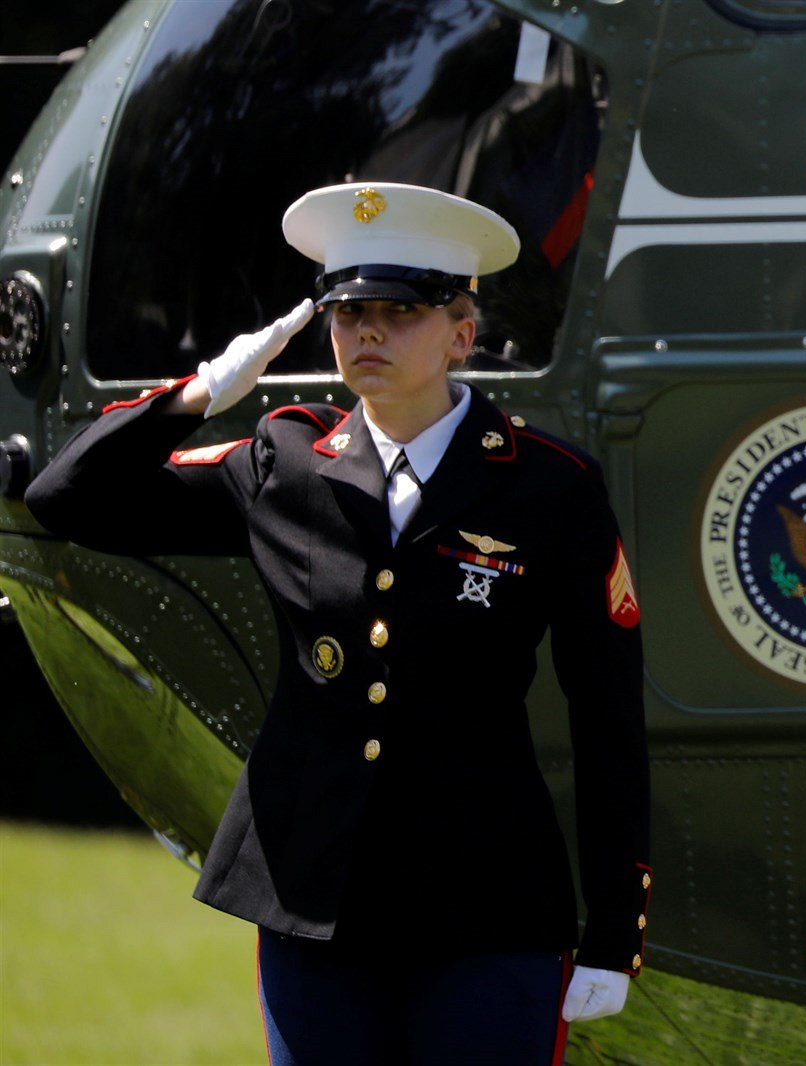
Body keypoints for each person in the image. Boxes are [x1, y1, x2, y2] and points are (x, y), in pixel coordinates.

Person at [26, 182, 651, 1063]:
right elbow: (66, 498)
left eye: (400, 312)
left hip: (487, 906)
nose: (368, 334)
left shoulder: (550, 487)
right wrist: (200, 392)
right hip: (312, 904)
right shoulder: (284, 462)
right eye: (350, 312)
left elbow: (609, 718)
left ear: (461, 334)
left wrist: (615, 930)